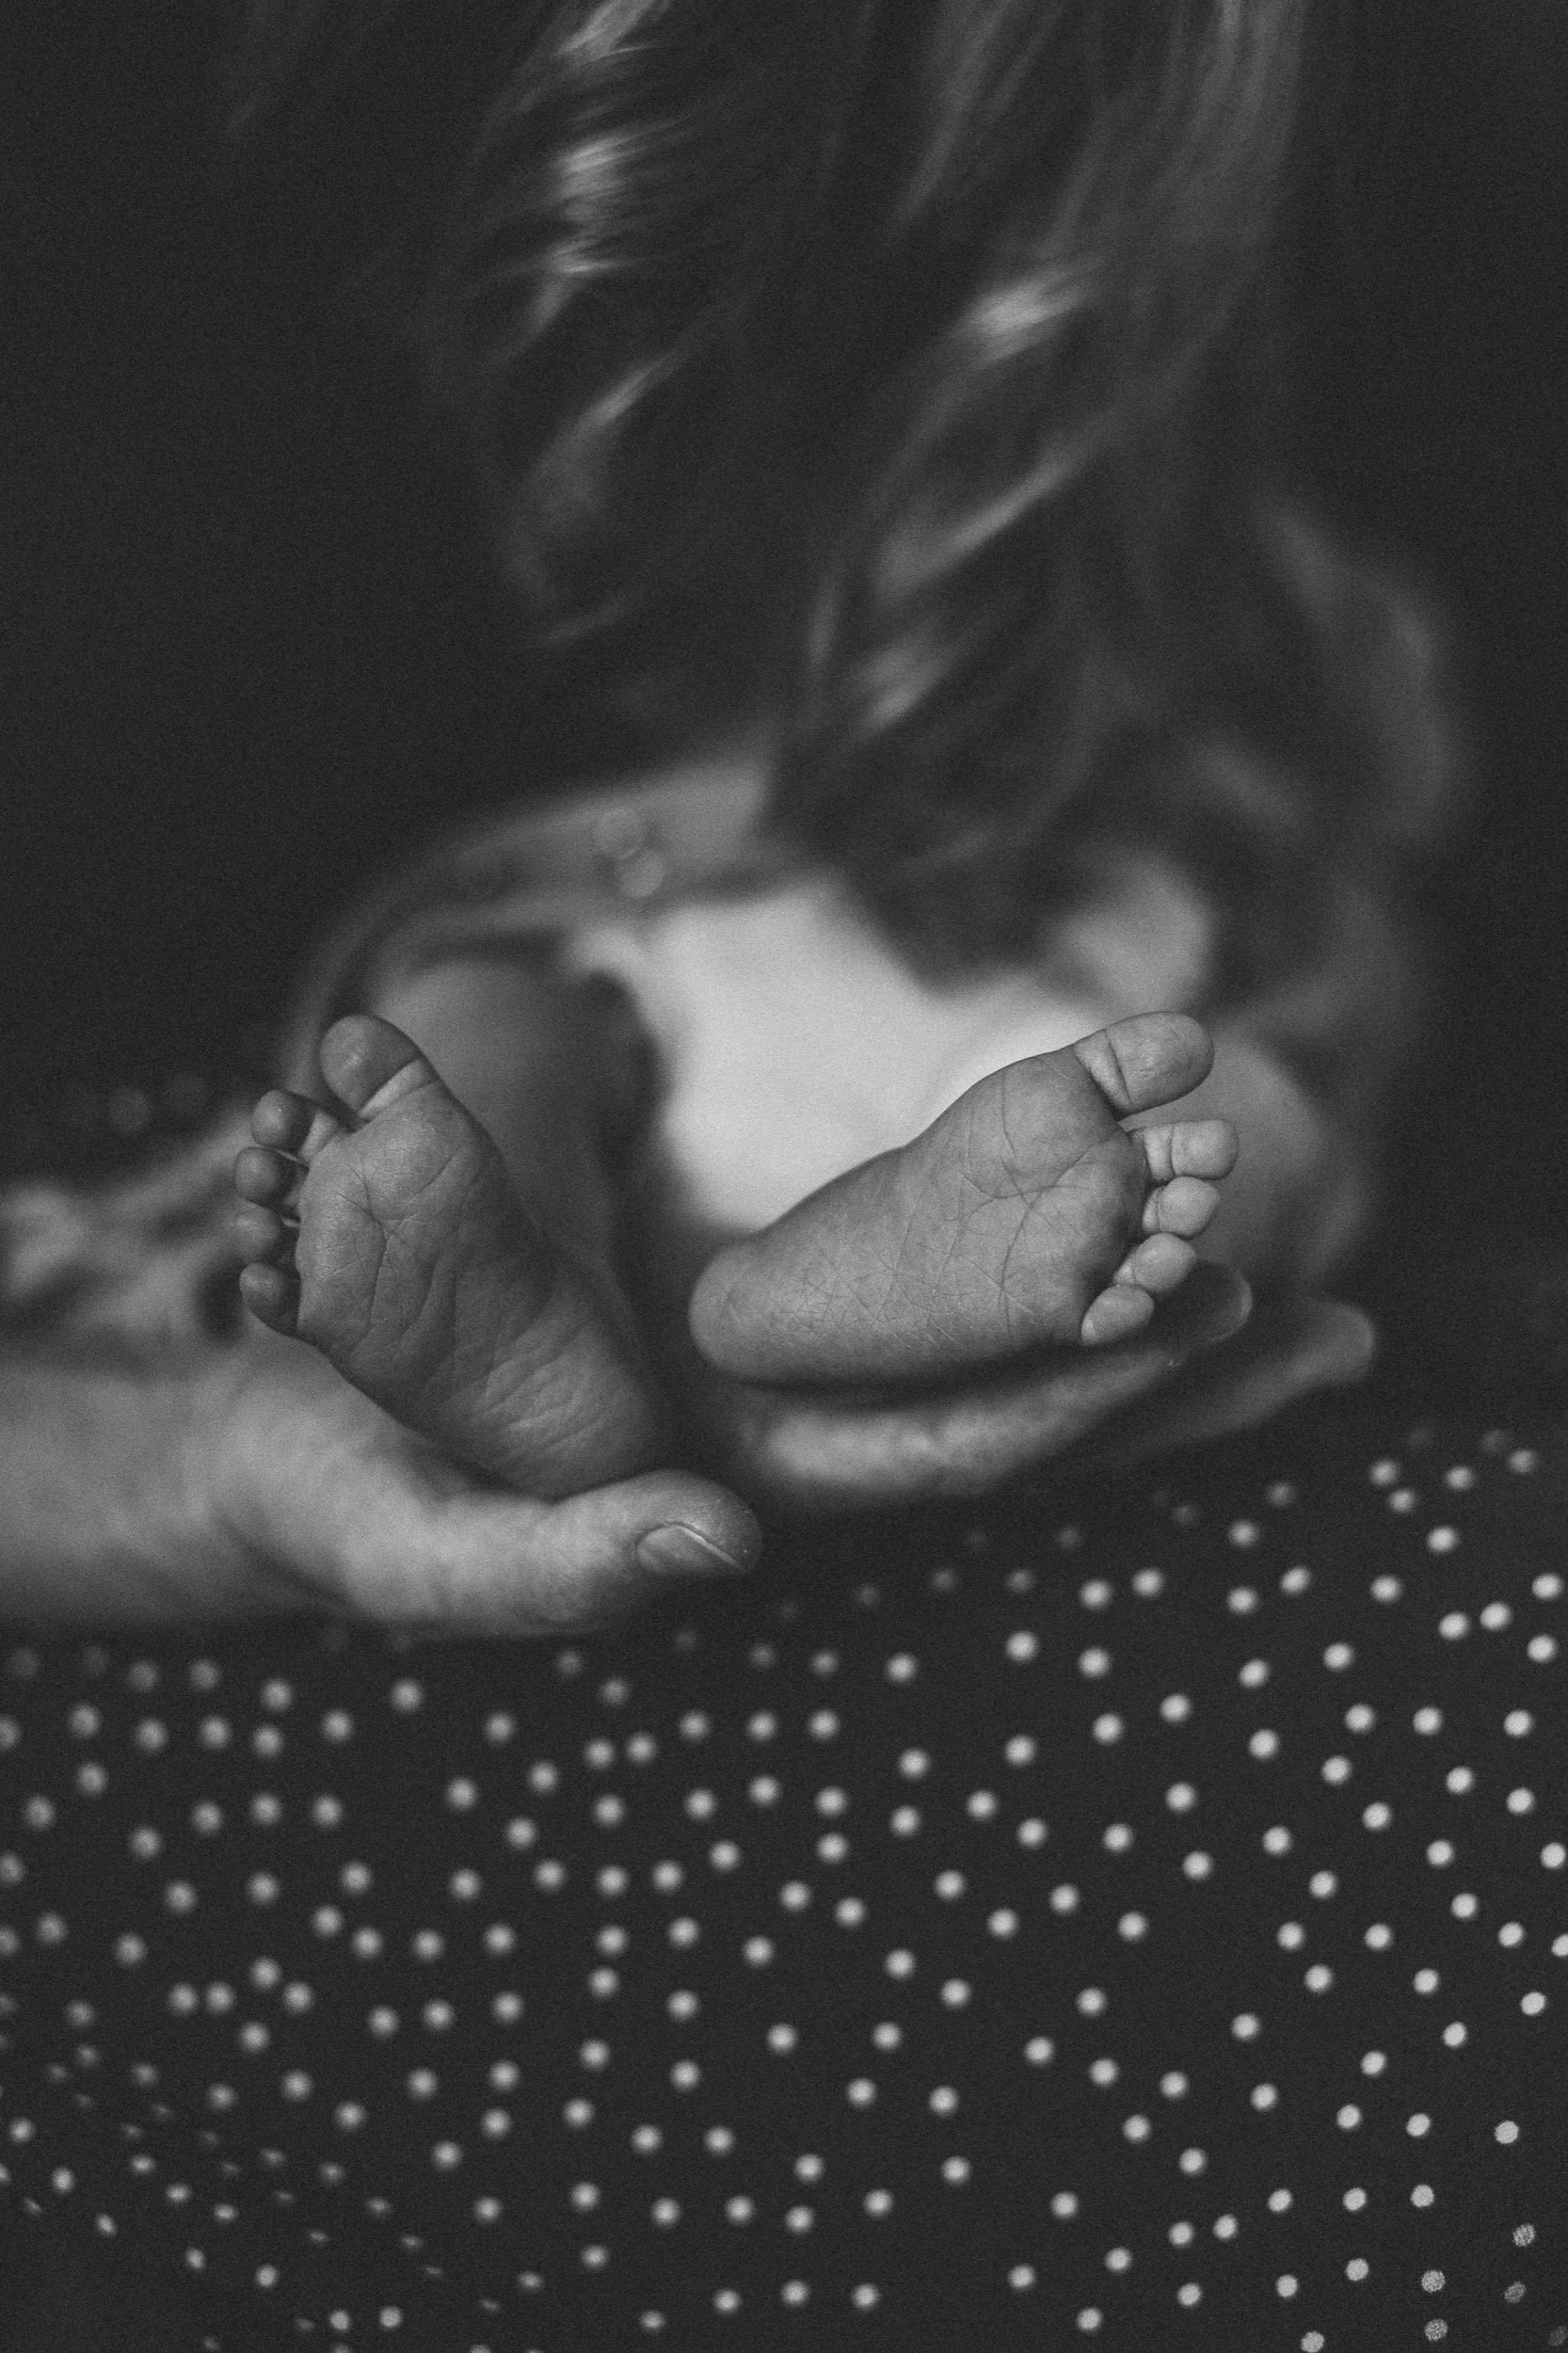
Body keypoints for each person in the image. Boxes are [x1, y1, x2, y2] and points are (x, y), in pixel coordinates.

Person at [14, 8, 1564, 2352]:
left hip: (867, 1033)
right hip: (860, 1023)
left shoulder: (1186, 658)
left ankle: (737, 1276)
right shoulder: (1191, 731)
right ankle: (642, 1271)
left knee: (1008, 1104)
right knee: (1080, 1128)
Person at [1, 0, 1450, 1636]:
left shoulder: (1221, 573)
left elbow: (1367, 811)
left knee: (1204, 1125)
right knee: (488, 1032)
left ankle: (790, 1286)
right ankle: (587, 1279)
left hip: (1010, 1046)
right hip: (947, 1013)